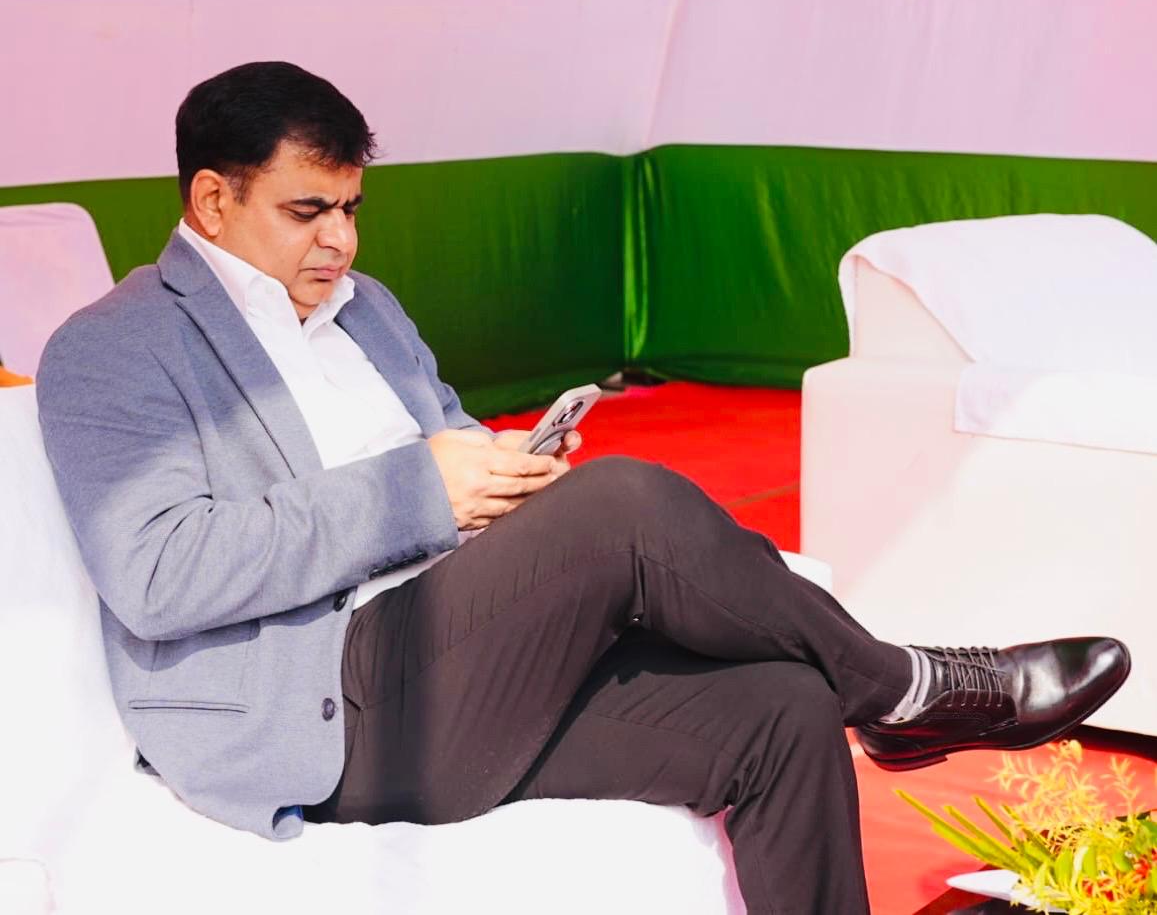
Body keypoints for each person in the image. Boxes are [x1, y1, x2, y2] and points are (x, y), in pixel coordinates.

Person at [36, 61, 1130, 915]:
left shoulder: (365, 308)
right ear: (212, 199)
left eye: (353, 207)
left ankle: (863, 695)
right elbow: (158, 573)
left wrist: (503, 475)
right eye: (307, 210)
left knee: (783, 711)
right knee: (622, 505)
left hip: (463, 653)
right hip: (327, 705)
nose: (341, 240)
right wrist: (420, 488)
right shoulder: (113, 348)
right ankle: (901, 687)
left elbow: (443, 447)